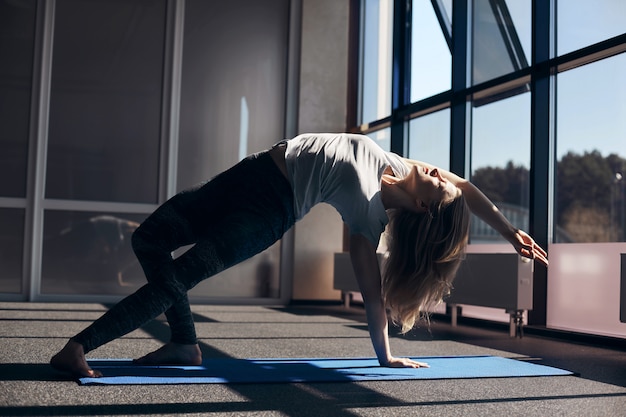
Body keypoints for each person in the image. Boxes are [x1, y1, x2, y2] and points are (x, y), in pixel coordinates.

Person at [50, 133, 548, 377]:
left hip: (270, 210)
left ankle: (81, 346)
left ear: (422, 207)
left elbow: (373, 297)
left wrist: (387, 356)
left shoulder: (367, 220)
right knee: (149, 238)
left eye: (438, 185)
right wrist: (508, 231)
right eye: (442, 177)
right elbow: (466, 186)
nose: (442, 174)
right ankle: (185, 344)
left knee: (181, 274)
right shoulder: (404, 166)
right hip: (251, 173)